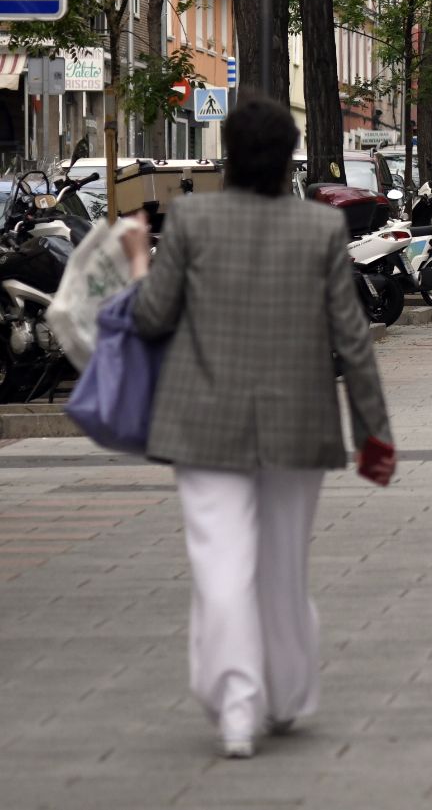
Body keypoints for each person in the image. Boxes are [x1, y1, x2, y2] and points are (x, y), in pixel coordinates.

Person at [121, 99, 393, 760]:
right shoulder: (320, 228)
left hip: (204, 420)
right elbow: (351, 336)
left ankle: (236, 704)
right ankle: (286, 693)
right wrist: (373, 431)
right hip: (297, 422)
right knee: (283, 565)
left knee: (221, 566)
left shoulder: (192, 219)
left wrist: (136, 260)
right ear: (288, 160)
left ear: (231, 156)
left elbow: (152, 317)